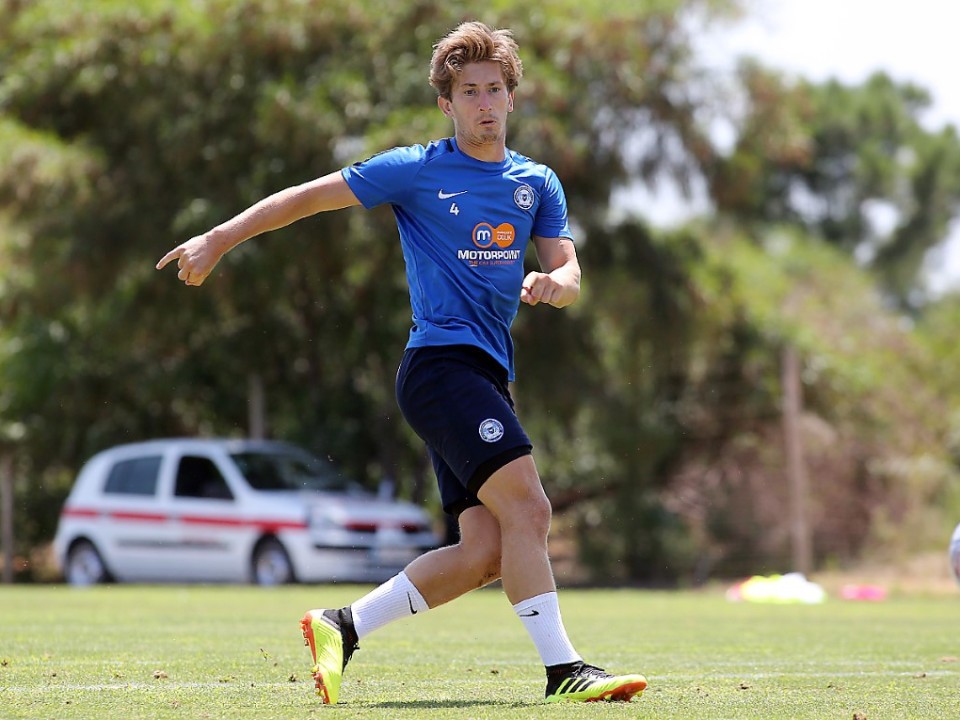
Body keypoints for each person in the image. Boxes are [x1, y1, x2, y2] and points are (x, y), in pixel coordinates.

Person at [157, 21, 647, 705]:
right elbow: (307, 198)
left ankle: (343, 626)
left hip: (484, 376)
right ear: (447, 104)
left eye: (494, 89)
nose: (484, 102)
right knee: (530, 511)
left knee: (485, 550)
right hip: (440, 369)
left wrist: (553, 285)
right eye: (469, 91)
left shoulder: (536, 183)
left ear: (511, 98)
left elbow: (568, 270)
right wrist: (219, 238)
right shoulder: (416, 169)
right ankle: (564, 671)